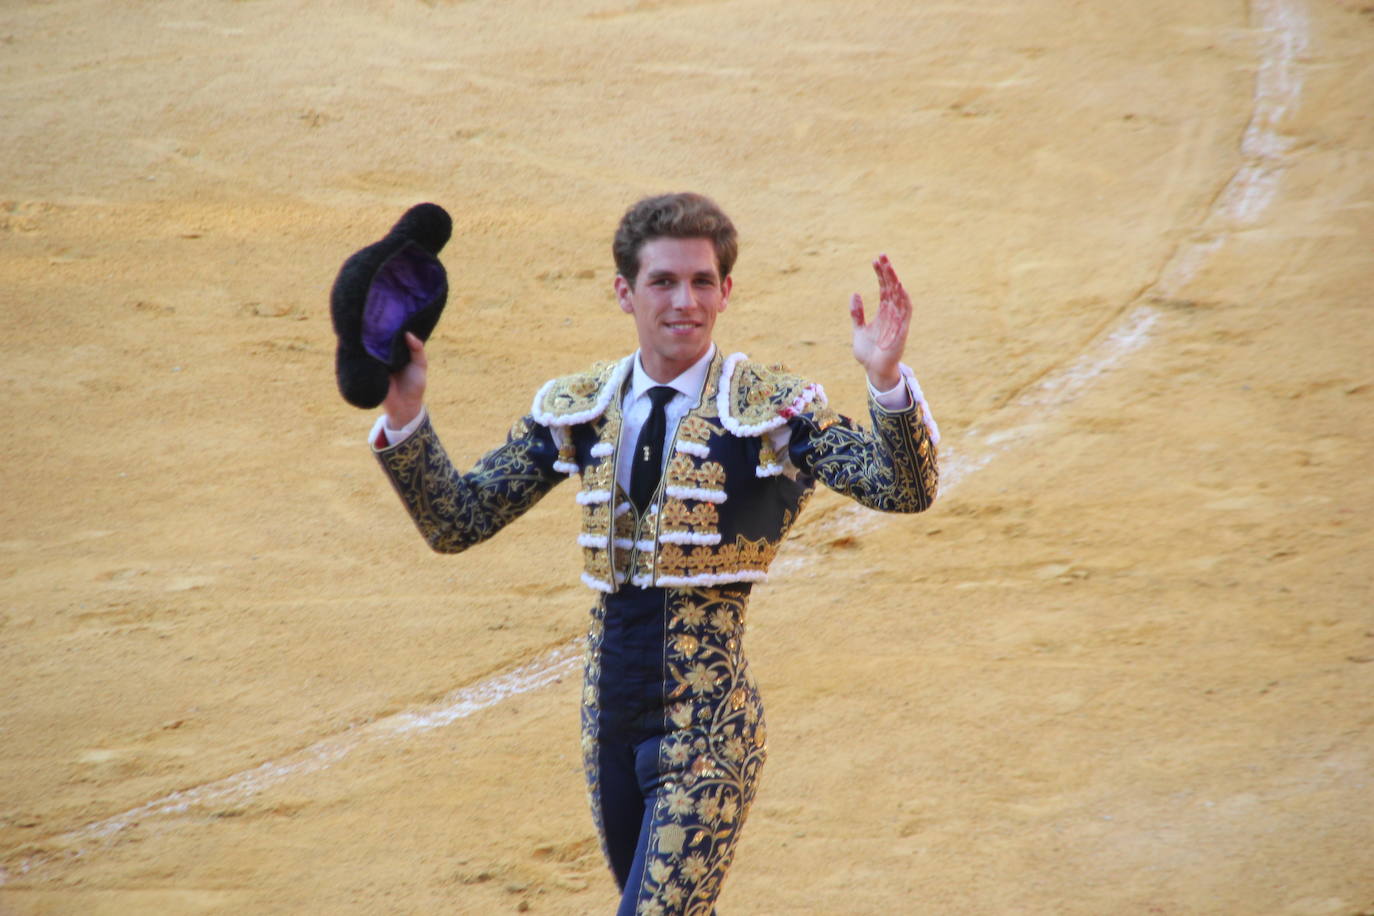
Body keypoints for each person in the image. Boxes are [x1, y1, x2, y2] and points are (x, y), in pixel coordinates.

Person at [368, 192, 939, 915]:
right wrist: (405, 413)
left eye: (703, 282)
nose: (685, 301)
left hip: (710, 726)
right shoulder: (583, 406)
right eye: (663, 281)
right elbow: (457, 520)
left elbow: (903, 490)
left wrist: (886, 380)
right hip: (606, 718)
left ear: (726, 292)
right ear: (624, 293)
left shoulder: (771, 408)